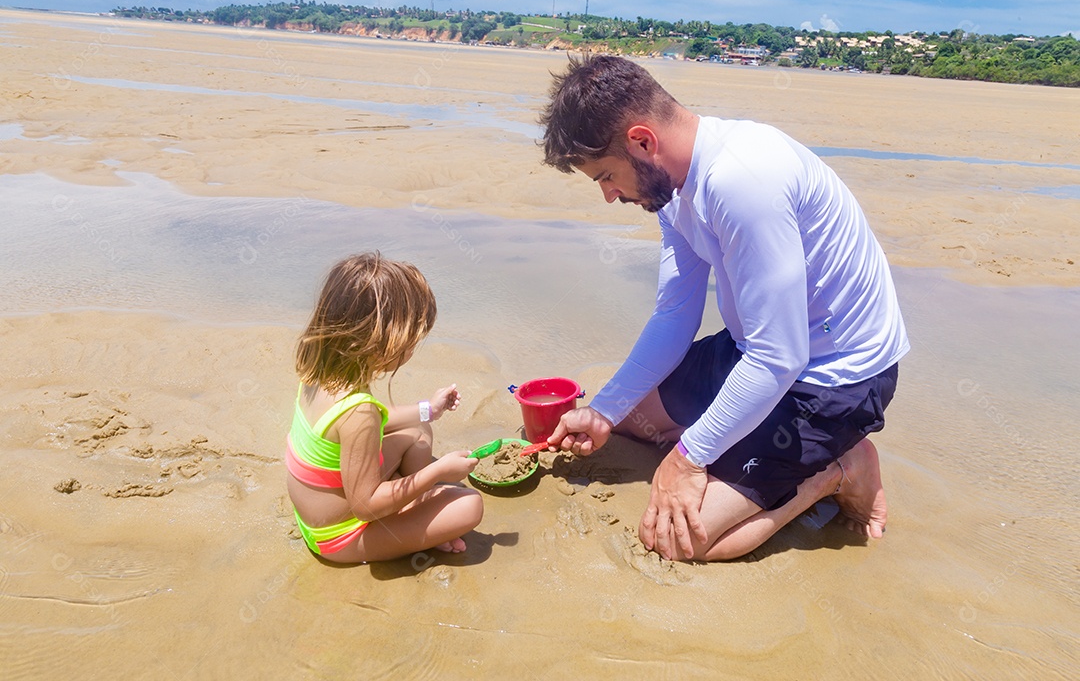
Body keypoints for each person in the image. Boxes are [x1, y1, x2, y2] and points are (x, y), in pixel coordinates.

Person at [541, 55, 909, 562]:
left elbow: (780, 356)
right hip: (754, 349)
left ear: (643, 142)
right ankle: (746, 450)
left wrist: (687, 460)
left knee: (677, 542)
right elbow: (675, 313)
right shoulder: (668, 188)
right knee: (628, 423)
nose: (608, 196)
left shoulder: (743, 180)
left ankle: (837, 471)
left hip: (835, 379)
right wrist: (604, 409)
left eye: (606, 176)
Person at [286, 252, 483, 563]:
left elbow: (372, 423)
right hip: (339, 537)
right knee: (469, 504)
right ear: (382, 343)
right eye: (410, 343)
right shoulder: (358, 414)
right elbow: (365, 506)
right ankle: (410, 521)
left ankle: (411, 515)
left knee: (418, 428)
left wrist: (428, 410)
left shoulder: (318, 374)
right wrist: (438, 471)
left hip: (317, 514)